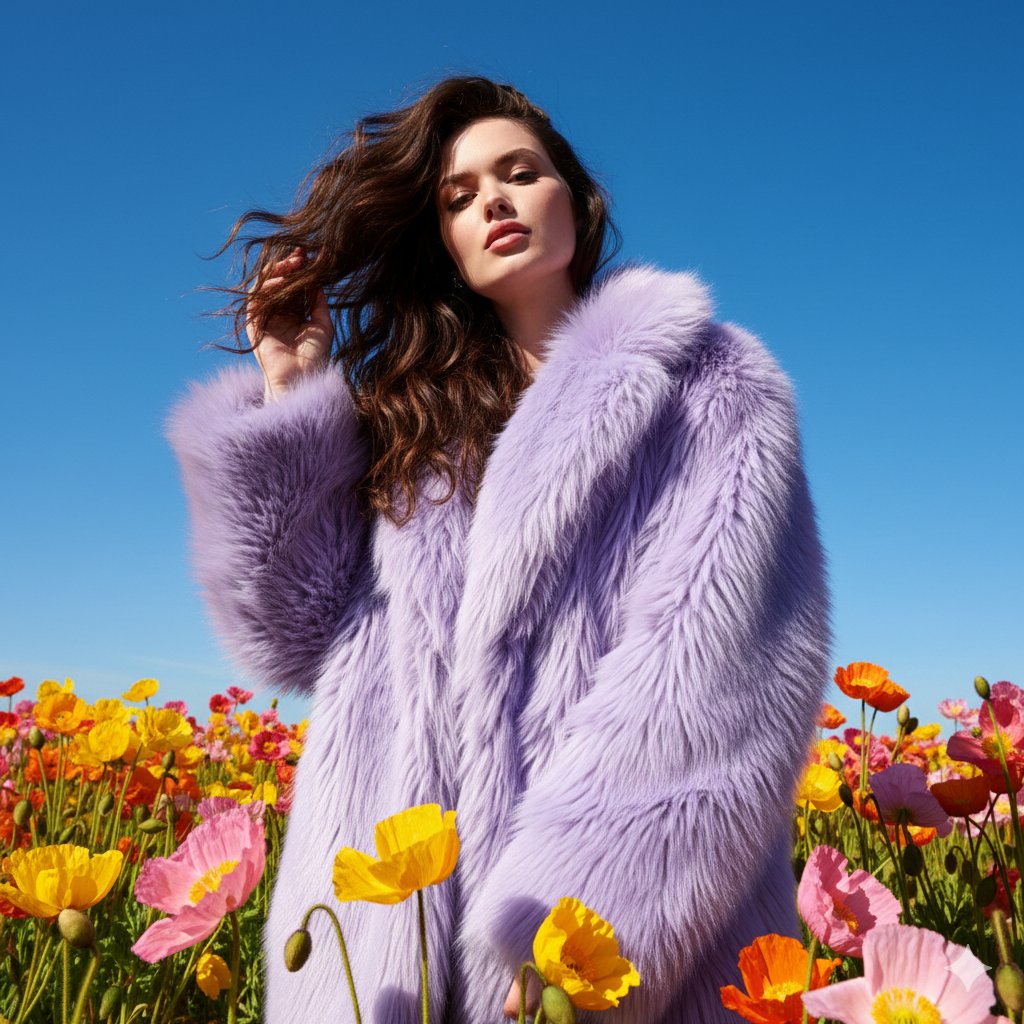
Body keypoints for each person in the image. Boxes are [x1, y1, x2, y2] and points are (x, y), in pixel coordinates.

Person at [167, 76, 832, 1024]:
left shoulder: (709, 390)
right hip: (385, 944)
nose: (493, 200)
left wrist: (568, 943)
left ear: (577, 198)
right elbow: (291, 634)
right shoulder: (412, 423)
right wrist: (291, 391)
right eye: (459, 194)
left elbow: (716, 685)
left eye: (520, 172)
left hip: (609, 945)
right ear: (443, 239)